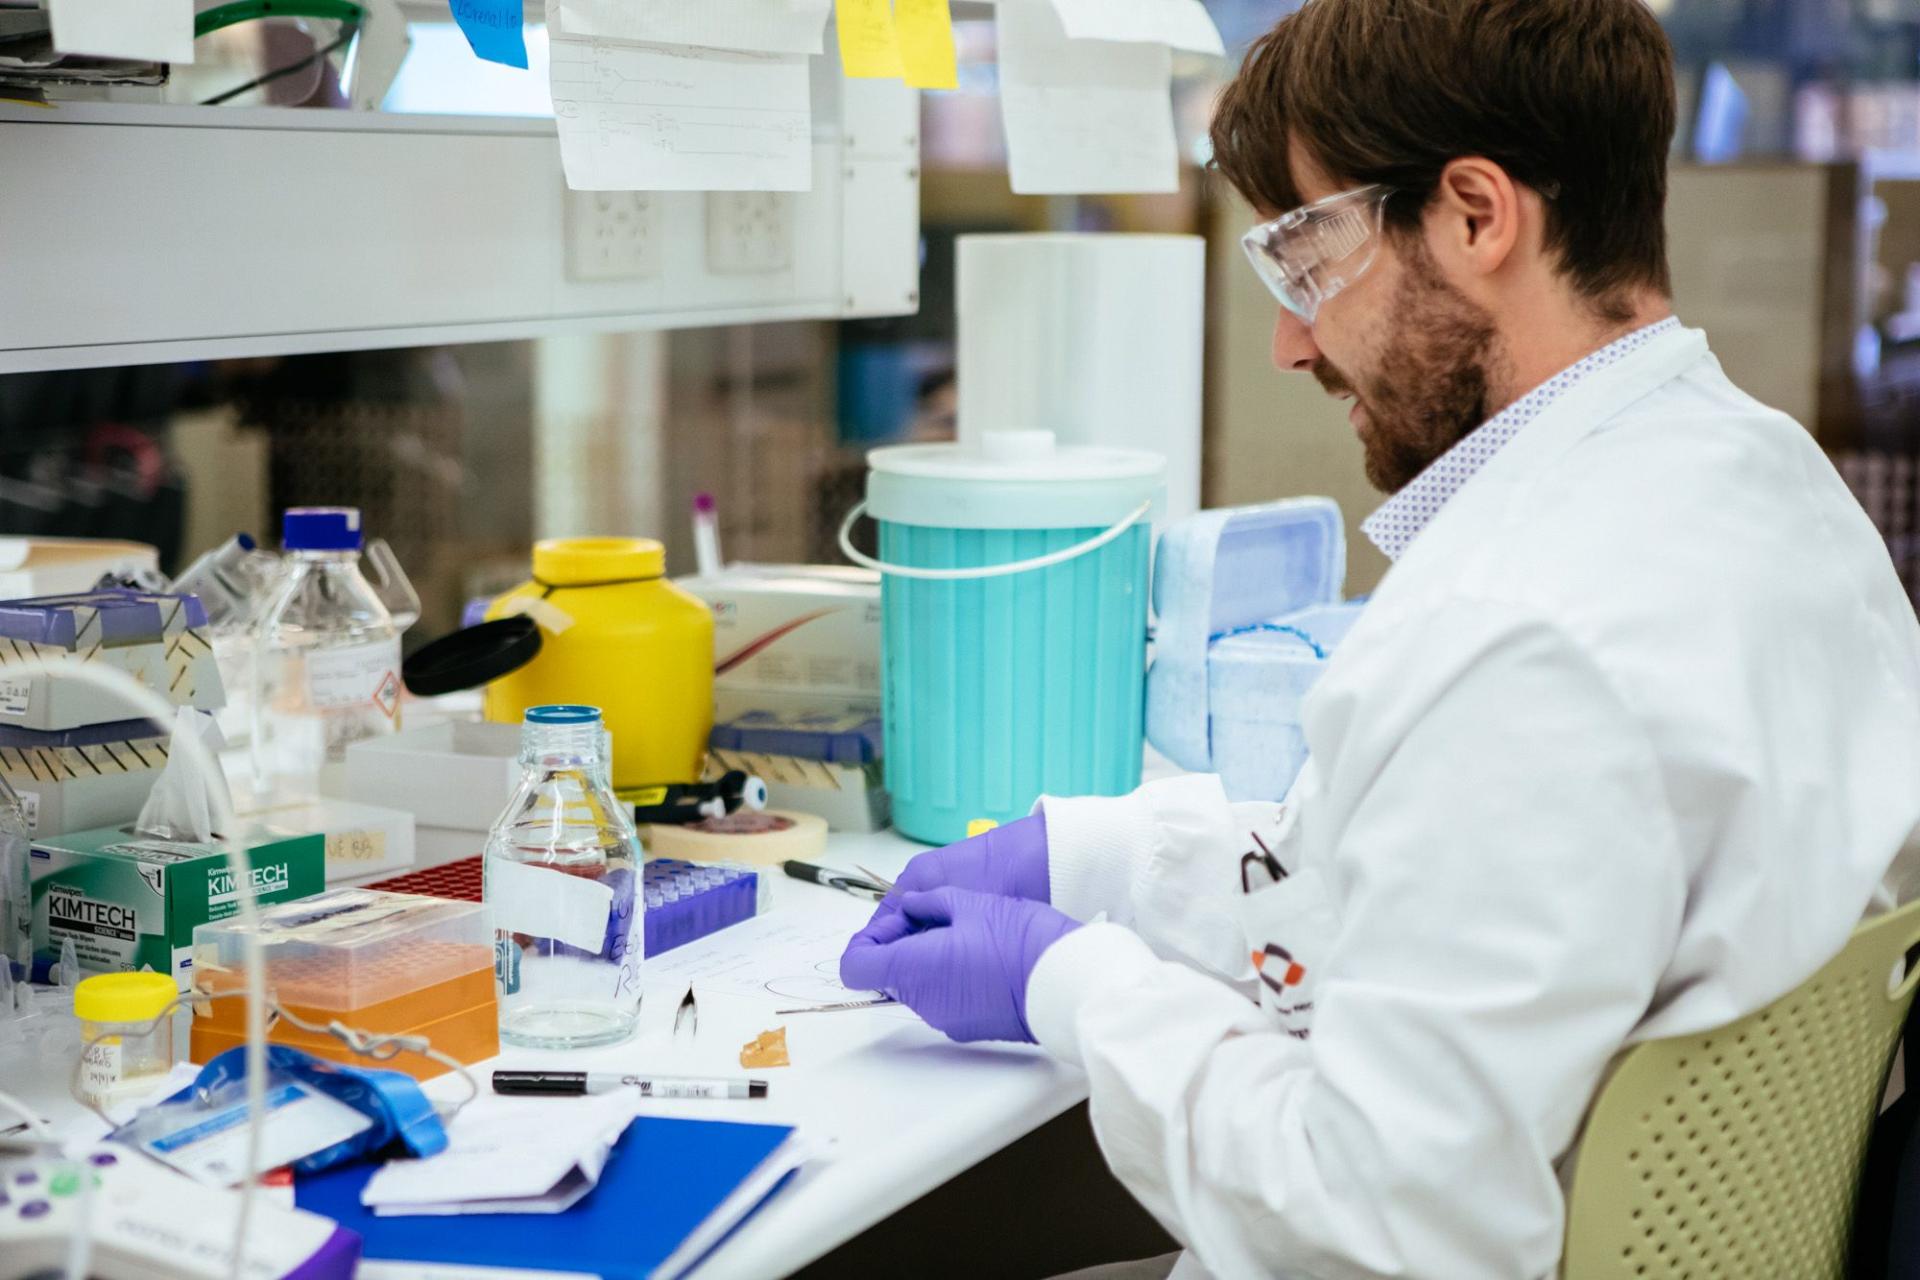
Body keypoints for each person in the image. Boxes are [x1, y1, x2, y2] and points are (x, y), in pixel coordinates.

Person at [838, 0, 1920, 1276]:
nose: (1293, 341)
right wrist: (1102, 855)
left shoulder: (1517, 630)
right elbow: (1436, 891)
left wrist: (1074, 990)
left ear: (1474, 215)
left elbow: (1382, 1225)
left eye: (1308, 263)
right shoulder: (1767, 480)